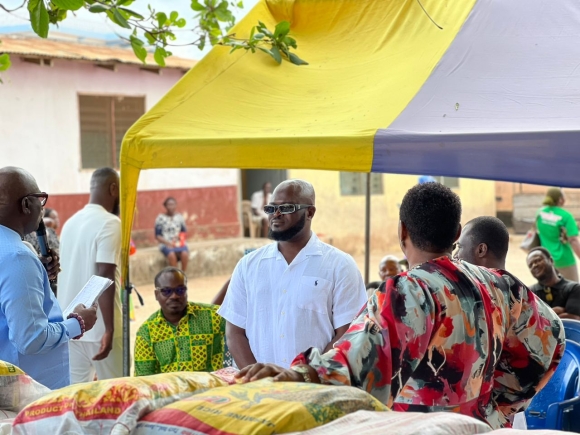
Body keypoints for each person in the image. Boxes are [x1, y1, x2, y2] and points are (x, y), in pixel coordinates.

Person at [238, 182, 564, 430]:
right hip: (482, 426)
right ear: (455, 234)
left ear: (402, 231)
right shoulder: (500, 283)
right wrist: (502, 403)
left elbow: (357, 365)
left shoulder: (407, 292)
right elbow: (551, 338)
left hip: (421, 429)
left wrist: (299, 374)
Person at [218, 179, 367, 369]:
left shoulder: (340, 265)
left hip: (316, 388)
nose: (276, 215)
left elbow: (347, 334)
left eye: (286, 208)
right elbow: (234, 332)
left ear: (310, 212)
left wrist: (307, 376)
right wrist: (256, 379)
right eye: (271, 209)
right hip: (259, 391)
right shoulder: (248, 266)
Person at [0, 167, 97, 389]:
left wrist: (37, 274)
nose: (42, 209)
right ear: (26, 205)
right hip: (26, 394)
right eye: (40, 199)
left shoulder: (17, 254)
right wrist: (77, 323)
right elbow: (31, 339)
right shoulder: (17, 258)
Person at [58, 167, 123, 383]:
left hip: (71, 326)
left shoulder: (69, 223)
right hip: (100, 327)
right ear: (113, 188)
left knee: (76, 397)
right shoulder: (110, 222)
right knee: (114, 393)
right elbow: (105, 273)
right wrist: (110, 329)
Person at [134, 267, 225, 376]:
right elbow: (144, 378)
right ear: (156, 294)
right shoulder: (146, 333)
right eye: (166, 291)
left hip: (211, 390)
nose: (174, 296)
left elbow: (244, 330)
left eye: (180, 290)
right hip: (169, 392)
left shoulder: (213, 316)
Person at [536, 187, 580, 281]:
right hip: (564, 260)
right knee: (572, 291)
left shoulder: (540, 213)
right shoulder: (566, 216)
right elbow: (573, 240)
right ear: (560, 199)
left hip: (546, 259)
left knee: (549, 292)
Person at [527, 247, 580, 320]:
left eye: (538, 260)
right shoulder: (529, 293)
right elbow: (527, 322)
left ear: (551, 260)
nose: (534, 265)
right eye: (530, 265)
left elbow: (574, 319)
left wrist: (540, 317)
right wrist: (555, 311)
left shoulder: (574, 288)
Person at [155, 197, 189, 271]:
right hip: (165, 243)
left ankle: (183, 274)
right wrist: (168, 243)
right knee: (171, 254)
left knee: (184, 253)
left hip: (178, 242)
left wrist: (178, 242)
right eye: (169, 205)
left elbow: (183, 232)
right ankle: (176, 274)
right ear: (165, 206)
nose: (171, 207)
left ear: (176, 205)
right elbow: (157, 236)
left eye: (173, 204)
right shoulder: (160, 218)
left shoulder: (179, 217)